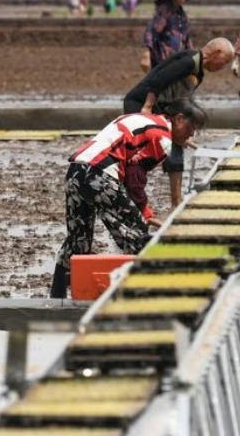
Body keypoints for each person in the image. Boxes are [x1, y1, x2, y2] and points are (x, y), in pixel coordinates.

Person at [50, 98, 208, 298]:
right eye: (191, 128)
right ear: (178, 119)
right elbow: (135, 177)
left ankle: (56, 298)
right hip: (100, 175)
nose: (192, 134)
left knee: (77, 240)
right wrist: (144, 213)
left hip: (77, 171)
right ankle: (146, 294)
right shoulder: (162, 138)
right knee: (136, 233)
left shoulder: (146, 120)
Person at [122, 38, 234, 209]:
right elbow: (158, 80)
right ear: (216, 52)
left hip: (162, 110)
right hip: (140, 103)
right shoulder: (188, 61)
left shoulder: (198, 72)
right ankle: (130, 199)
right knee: (138, 156)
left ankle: (176, 200)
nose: (222, 68)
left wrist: (183, 132)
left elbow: (180, 100)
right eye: (224, 62)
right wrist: (147, 107)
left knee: (176, 148)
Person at [142, 0, 201, 71]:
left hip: (177, 61)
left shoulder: (182, 16)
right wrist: (146, 53)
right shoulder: (165, 11)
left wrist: (193, 57)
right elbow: (151, 31)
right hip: (162, 62)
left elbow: (186, 39)